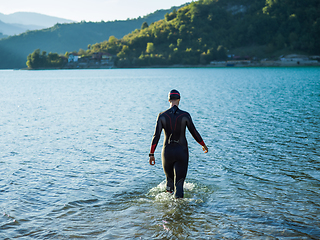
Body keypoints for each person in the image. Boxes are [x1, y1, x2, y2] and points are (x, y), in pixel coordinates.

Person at [149, 89, 208, 198]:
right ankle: (179, 210)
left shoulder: (162, 116)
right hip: (181, 152)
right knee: (179, 183)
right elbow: (194, 132)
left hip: (167, 153)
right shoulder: (185, 115)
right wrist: (203, 145)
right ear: (179, 100)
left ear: (169, 100)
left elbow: (156, 136)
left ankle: (168, 207)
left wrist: (151, 154)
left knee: (169, 181)